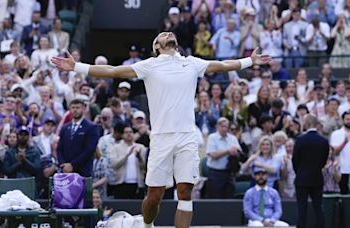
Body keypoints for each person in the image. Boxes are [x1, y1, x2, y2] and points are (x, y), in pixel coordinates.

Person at [51, 31, 270, 228]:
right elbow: (114, 71)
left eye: (169, 33)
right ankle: (147, 226)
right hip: (161, 139)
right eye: (162, 35)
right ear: (157, 46)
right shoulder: (149, 65)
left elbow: (223, 65)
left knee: (185, 192)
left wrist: (250, 60)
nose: (167, 34)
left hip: (187, 137)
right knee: (154, 196)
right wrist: (76, 67)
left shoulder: (192, 63)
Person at [292, 114, 329, 228]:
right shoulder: (324, 141)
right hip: (317, 178)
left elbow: (295, 160)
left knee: (302, 208)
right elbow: (324, 160)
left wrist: (300, 171)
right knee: (318, 207)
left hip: (302, 178)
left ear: (307, 124)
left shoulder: (300, 139)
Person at [57, 98, 100, 177]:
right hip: (66, 171)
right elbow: (59, 148)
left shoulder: (92, 127)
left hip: (83, 170)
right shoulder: (65, 127)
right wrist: (63, 164)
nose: (75, 110)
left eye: (77, 108)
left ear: (83, 109)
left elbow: (89, 150)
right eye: (73, 108)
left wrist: (73, 165)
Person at [206, 117, 242, 198]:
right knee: (215, 198)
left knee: (229, 198)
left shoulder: (232, 138)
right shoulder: (212, 137)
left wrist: (236, 152)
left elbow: (239, 153)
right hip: (215, 173)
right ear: (217, 127)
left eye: (226, 126)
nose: (224, 128)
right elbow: (213, 155)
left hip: (229, 172)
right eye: (222, 126)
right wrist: (228, 151)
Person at [109, 125, 147, 199]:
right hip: (121, 184)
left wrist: (140, 158)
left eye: (131, 132)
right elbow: (114, 165)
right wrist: (127, 155)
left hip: (137, 185)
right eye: (126, 132)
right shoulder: (116, 148)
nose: (129, 134)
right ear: (122, 135)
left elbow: (145, 167)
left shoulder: (141, 147)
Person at [330, 110, 350, 194]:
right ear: (343, 120)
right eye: (348, 119)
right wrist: (344, 142)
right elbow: (334, 152)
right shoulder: (336, 134)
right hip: (342, 170)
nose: (349, 121)